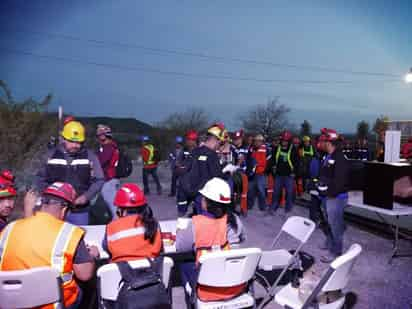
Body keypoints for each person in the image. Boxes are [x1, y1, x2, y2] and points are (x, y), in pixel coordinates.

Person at [0, 182, 99, 309]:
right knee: (87, 286)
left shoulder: (9, 228)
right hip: (51, 305)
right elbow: (85, 275)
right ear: (64, 210)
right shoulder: (70, 232)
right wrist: (92, 256)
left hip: (11, 303)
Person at [176, 177, 246, 305]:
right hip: (234, 285)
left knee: (183, 263)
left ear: (206, 202)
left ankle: (192, 300)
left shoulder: (195, 224)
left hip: (207, 290)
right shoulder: (235, 221)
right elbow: (242, 238)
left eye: (203, 198)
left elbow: (180, 247)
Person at [36, 119, 105, 225]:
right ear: (63, 139)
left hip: (79, 211)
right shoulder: (50, 155)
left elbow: (99, 180)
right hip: (54, 209)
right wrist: (48, 197)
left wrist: (86, 197)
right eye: (72, 141)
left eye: (79, 142)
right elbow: (40, 178)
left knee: (77, 238)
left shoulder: (90, 157)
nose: (75, 145)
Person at [103, 183, 162, 262]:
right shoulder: (154, 224)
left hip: (122, 272)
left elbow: (106, 248)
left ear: (122, 210)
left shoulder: (111, 227)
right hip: (152, 271)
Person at [317, 129, 349, 263]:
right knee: (329, 223)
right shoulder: (328, 156)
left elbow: (340, 182)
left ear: (329, 142)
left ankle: (336, 252)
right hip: (327, 197)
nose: (320, 143)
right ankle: (329, 243)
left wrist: (329, 194)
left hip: (335, 198)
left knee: (335, 225)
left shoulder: (339, 158)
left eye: (323, 140)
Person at [180, 124, 226, 215]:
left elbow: (184, 170)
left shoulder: (194, 152)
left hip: (193, 194)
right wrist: (226, 172)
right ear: (215, 139)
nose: (219, 145)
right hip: (206, 197)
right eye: (220, 142)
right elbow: (217, 178)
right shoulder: (212, 155)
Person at [268, 130, 299, 214]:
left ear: (289, 141)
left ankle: (288, 208)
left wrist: (294, 173)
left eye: (286, 141)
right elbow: (273, 159)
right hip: (278, 174)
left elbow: (297, 162)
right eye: (283, 140)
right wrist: (273, 167)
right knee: (276, 191)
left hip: (289, 175)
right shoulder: (276, 148)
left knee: (289, 192)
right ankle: (274, 205)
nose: (284, 142)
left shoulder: (293, 150)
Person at [96, 124, 120, 220]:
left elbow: (100, 161)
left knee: (113, 205)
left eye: (100, 135)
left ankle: (118, 225)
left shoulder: (108, 147)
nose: (98, 137)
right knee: (111, 204)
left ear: (105, 135)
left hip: (109, 179)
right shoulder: (110, 146)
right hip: (110, 178)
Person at [175, 130, 198, 216]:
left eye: (189, 140)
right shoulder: (183, 150)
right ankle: (181, 217)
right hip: (184, 183)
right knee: (181, 204)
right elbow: (178, 164)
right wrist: (179, 167)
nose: (187, 142)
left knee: (197, 204)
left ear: (194, 141)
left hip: (195, 184)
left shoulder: (199, 151)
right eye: (187, 140)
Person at [247, 134, 267, 211]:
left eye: (259, 141)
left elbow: (267, 161)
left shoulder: (265, 149)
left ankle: (262, 206)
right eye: (255, 141)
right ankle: (249, 205)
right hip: (252, 173)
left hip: (260, 173)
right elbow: (249, 159)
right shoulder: (252, 148)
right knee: (250, 190)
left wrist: (262, 168)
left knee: (261, 190)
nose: (256, 143)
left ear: (261, 142)